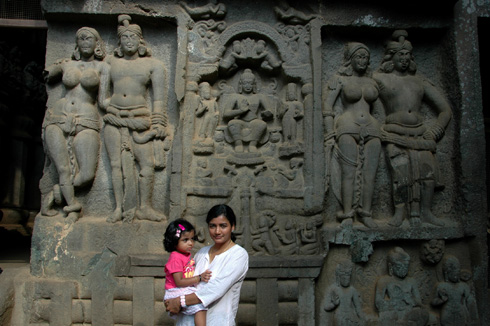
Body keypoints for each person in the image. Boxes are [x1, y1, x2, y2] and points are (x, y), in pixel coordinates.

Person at [373, 30, 452, 227]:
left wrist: (435, 131)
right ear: (391, 56)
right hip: (394, 133)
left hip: (420, 133)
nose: (405, 59)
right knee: (401, 175)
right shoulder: (380, 79)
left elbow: (444, 110)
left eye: (408, 55)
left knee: (427, 174)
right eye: (400, 55)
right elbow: (366, 102)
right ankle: (399, 213)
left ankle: (426, 212)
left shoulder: (420, 82)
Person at [102, 15, 168, 223]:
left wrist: (158, 123)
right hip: (113, 119)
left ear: (141, 41)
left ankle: (145, 207)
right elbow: (102, 97)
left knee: (147, 164)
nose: (129, 40)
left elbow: (159, 99)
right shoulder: (109, 63)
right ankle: (119, 208)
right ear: (119, 41)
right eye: (125, 37)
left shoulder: (153, 65)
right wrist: (113, 110)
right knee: (115, 165)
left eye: (133, 37)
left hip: (140, 119)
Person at [42, 27, 109, 222]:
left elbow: (103, 101)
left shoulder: (103, 68)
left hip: (87, 120)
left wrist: (126, 110)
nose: (85, 42)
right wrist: (55, 66)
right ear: (77, 43)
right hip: (58, 117)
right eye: (81, 39)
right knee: (63, 168)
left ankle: (57, 192)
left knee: (86, 174)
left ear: (97, 44)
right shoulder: (66, 64)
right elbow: (48, 75)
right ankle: (72, 206)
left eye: (89, 39)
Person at [323, 42, 381, 228]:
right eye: (359, 57)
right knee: (348, 173)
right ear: (351, 59)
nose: (363, 61)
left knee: (370, 173)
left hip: (372, 127)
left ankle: (366, 213)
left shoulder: (373, 82)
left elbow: (379, 111)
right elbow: (327, 107)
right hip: (347, 126)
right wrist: (329, 131)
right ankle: (348, 213)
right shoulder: (340, 79)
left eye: (366, 57)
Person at [165, 204, 249, 326]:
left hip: (218, 321)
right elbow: (184, 281)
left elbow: (215, 289)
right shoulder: (201, 253)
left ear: (233, 227)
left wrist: (179, 301)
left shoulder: (238, 255)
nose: (217, 231)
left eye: (223, 226)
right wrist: (170, 299)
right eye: (212, 226)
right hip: (186, 321)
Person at [163, 219, 212, 326]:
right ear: (174, 241)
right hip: (176, 291)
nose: (190, 243)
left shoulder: (185, 255)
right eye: (185, 240)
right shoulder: (176, 258)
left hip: (183, 289)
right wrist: (199, 278)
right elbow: (179, 281)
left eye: (192, 239)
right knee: (200, 308)